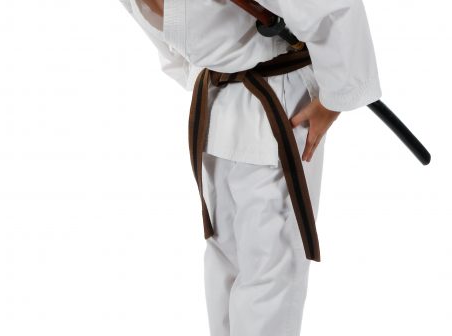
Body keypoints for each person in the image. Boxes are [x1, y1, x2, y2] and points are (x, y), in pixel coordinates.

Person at [118, 0, 382, 335]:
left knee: (266, 269)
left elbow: (331, 5)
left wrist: (335, 97)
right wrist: (340, 90)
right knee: (232, 264)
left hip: (274, 106)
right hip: (221, 104)